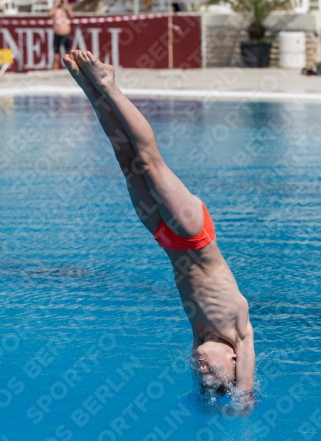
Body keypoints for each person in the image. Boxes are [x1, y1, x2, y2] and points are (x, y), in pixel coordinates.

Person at [63, 50, 255, 395]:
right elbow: (246, 389)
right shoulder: (240, 331)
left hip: (164, 237)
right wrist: (242, 398)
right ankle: (109, 83)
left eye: (203, 378)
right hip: (194, 234)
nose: (203, 371)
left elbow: (205, 371)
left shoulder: (199, 334)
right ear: (234, 361)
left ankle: (90, 88)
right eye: (214, 375)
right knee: (150, 163)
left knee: (126, 160)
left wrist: (209, 393)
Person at [49, 0, 74, 70]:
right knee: (56, 55)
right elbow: (50, 14)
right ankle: (54, 71)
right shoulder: (55, 10)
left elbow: (72, 15)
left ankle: (69, 70)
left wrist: (66, 4)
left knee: (68, 54)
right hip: (57, 35)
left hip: (66, 35)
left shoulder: (66, 9)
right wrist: (56, 4)